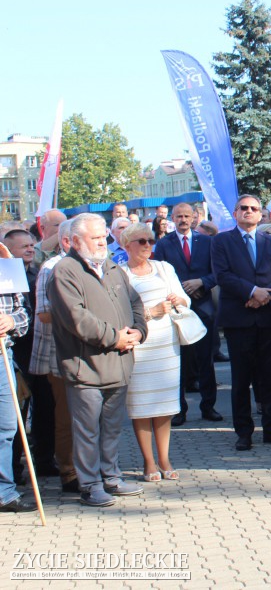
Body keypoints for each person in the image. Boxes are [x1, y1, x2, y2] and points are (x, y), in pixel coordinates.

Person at [48, 213, 148, 507]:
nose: (102, 242)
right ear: (76, 241)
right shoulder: (64, 271)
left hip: (120, 363)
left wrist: (138, 332)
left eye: (103, 236)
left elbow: (135, 303)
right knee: (87, 430)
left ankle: (111, 477)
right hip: (86, 368)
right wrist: (114, 337)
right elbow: (76, 318)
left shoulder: (112, 267)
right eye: (95, 238)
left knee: (112, 427)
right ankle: (90, 485)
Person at [212, 196, 271, 451]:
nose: (248, 212)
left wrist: (265, 296)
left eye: (253, 209)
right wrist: (252, 291)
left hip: (267, 318)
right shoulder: (222, 241)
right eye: (243, 208)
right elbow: (223, 275)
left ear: (261, 215)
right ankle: (243, 432)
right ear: (235, 213)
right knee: (241, 379)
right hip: (239, 320)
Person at [119, 223, 189, 482]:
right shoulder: (120, 274)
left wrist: (179, 301)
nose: (148, 245)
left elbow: (184, 298)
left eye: (150, 240)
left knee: (165, 405)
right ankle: (148, 461)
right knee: (141, 406)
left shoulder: (164, 268)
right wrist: (151, 313)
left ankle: (165, 458)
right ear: (127, 245)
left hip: (166, 345)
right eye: (141, 241)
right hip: (139, 345)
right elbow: (121, 313)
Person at [153, 202, 222, 426]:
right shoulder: (164, 244)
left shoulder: (207, 242)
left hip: (203, 304)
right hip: (177, 308)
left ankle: (208, 406)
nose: (183, 220)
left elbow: (218, 272)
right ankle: (178, 409)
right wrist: (177, 292)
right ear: (172, 218)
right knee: (180, 361)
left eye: (187, 216)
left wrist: (201, 281)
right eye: (178, 216)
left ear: (194, 218)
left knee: (205, 359)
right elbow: (159, 273)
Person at [30, 220, 78, 494]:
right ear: (68, 241)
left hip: (89, 354)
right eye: (91, 238)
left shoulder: (96, 266)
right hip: (60, 354)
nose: (100, 244)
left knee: (87, 416)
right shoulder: (51, 268)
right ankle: (69, 472)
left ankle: (90, 467)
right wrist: (86, 321)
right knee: (66, 417)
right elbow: (44, 314)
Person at [0, 240, 31, 513]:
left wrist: (11, 322)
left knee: (7, 425)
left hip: (2, 356)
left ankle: (4, 492)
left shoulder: (6, 267)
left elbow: (23, 313)